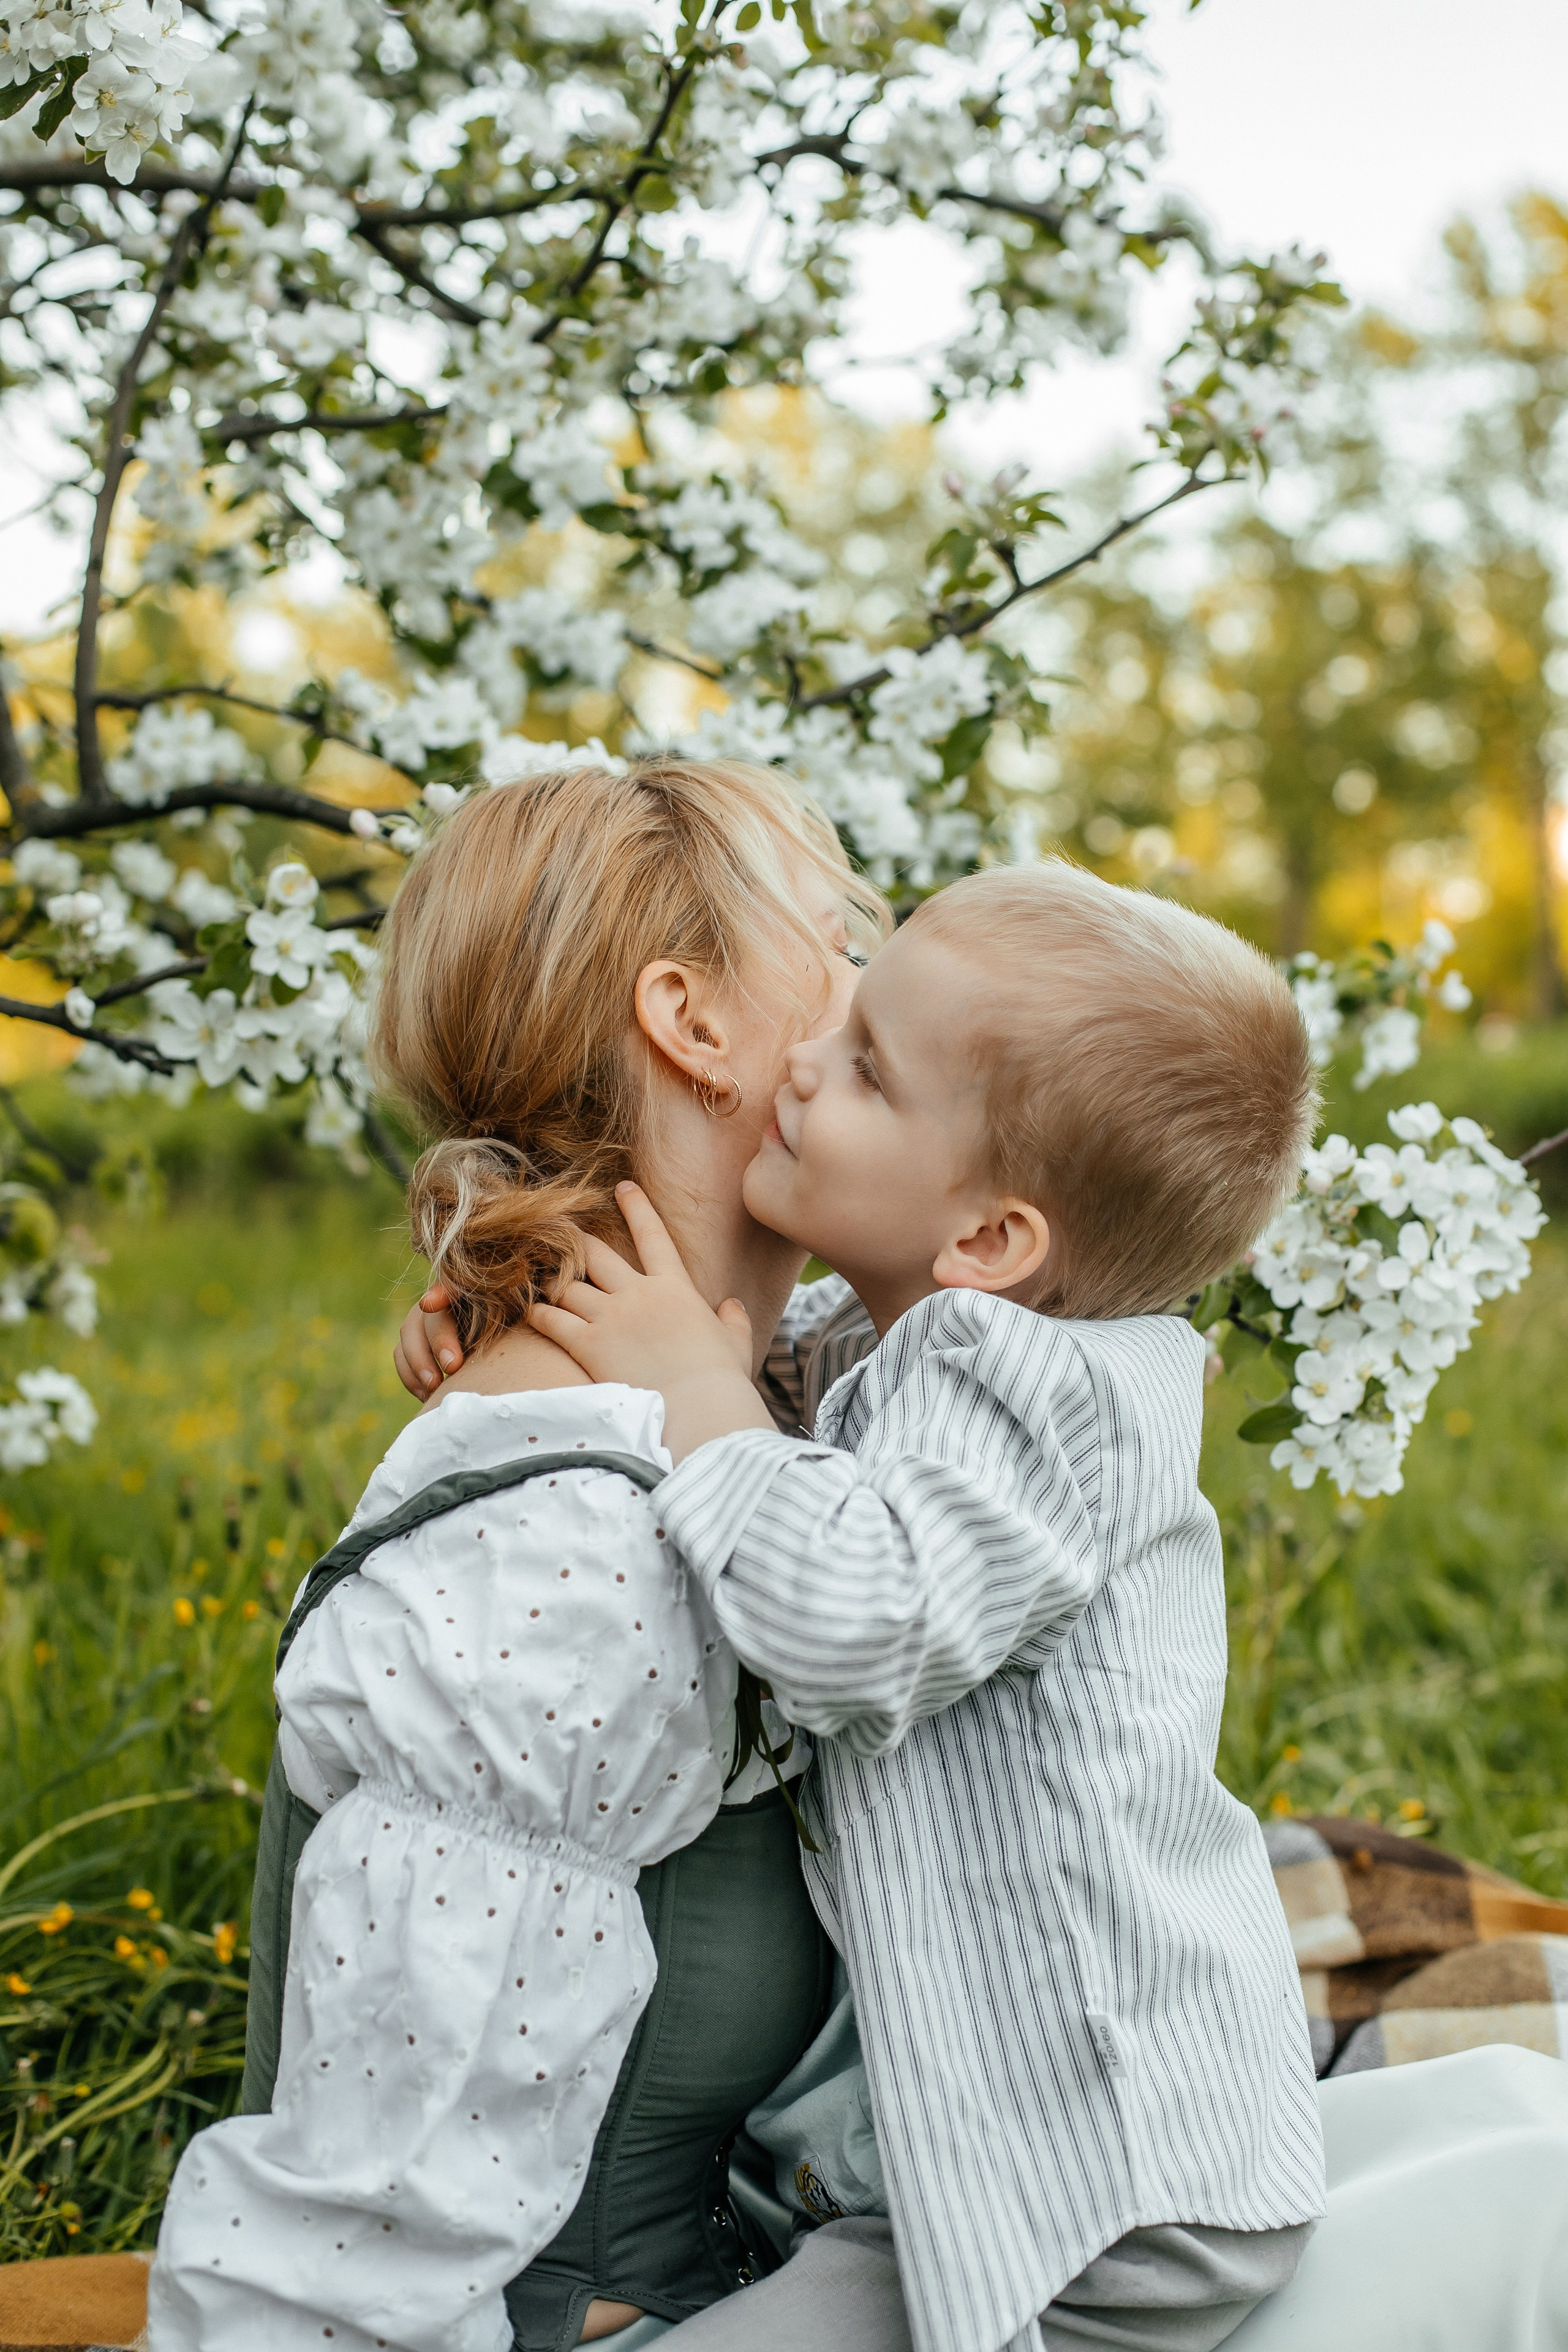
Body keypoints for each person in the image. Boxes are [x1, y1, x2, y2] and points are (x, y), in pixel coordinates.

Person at [511, 862, 1330, 2352]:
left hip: (1097, 2193)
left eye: (870, 1068)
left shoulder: (1021, 1387)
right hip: (982, 2139)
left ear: (989, 1245)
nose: (808, 1058)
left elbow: (848, 1611)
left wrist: (696, 1384)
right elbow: (775, 1435)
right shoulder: (927, 1343)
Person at [146, 757, 888, 2352]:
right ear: (691, 1024)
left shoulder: (695, 1426)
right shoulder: (570, 1554)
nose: (875, 1000)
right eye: (842, 950)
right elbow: (362, 2223)